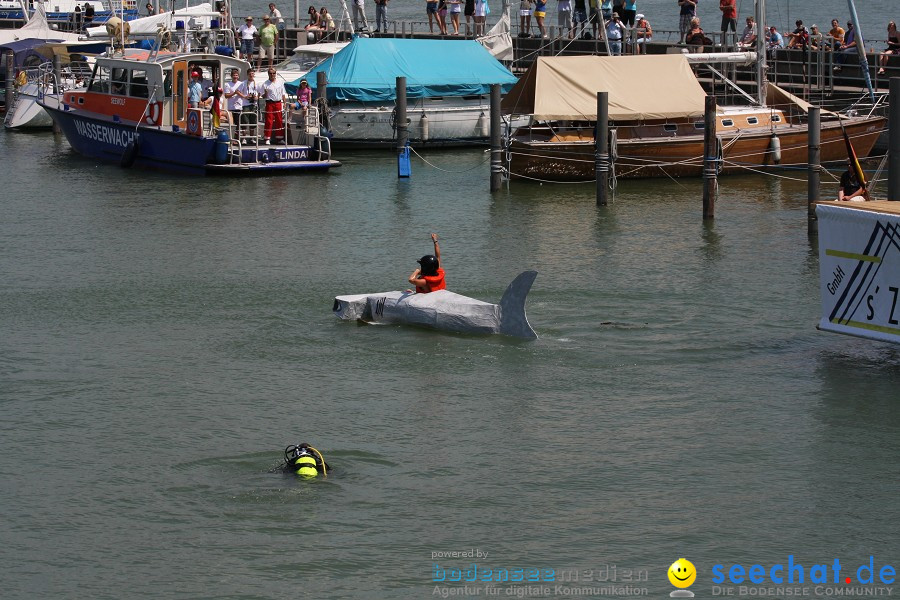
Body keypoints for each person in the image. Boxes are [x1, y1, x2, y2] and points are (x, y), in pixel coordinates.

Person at [260, 67, 287, 144]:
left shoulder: (280, 82)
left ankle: (279, 138)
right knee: (269, 121)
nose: (272, 75)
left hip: (278, 103)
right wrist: (265, 93)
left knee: (279, 120)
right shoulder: (265, 84)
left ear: (276, 74)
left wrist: (284, 103)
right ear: (268, 74)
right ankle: (267, 138)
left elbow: (283, 94)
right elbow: (263, 96)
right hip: (270, 103)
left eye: (273, 73)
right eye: (270, 73)